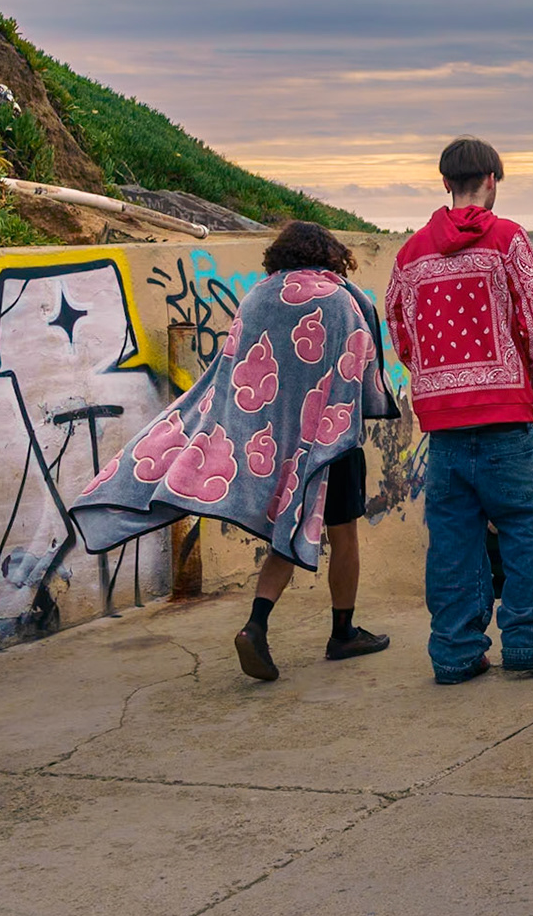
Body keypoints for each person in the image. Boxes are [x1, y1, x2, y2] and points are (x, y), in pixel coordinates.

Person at [74, 221, 399, 681]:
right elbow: (360, 367)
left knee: (288, 528)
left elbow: (234, 372)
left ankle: (256, 625)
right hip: (332, 437)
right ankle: (343, 632)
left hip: (270, 441)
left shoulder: (256, 298)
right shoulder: (341, 300)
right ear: (330, 255)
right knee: (343, 534)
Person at [385, 136, 533, 684]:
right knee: (526, 525)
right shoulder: (507, 240)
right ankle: (530, 642)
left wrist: (434, 381)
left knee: (452, 539)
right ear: (492, 181)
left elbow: (399, 327)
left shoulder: (411, 254)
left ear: (445, 183)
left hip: (443, 425)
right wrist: (526, 381)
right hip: (505, 416)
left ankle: (456, 653)